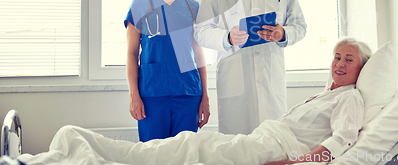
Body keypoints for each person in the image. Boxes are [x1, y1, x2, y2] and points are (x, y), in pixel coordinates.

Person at [18, 38, 371, 165]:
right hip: (257, 142)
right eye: (337, 56)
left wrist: (293, 162)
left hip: (266, 150)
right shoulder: (328, 94)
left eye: (348, 59)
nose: (339, 64)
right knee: (180, 148)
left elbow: (340, 141)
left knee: (184, 150)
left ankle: (75, 146)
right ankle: (74, 145)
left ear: (362, 68)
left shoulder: (350, 100)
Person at [194, 0, 307, 135]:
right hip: (235, 80)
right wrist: (227, 38)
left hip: (270, 78)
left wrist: (283, 33)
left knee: (272, 144)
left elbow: (300, 25)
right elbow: (201, 31)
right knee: (237, 149)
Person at [124, 0, 209, 141]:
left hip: (188, 93)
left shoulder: (193, 7)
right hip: (152, 94)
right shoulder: (140, 4)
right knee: (152, 156)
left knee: (184, 155)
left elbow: (199, 55)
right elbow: (131, 53)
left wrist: (205, 96)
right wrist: (133, 95)